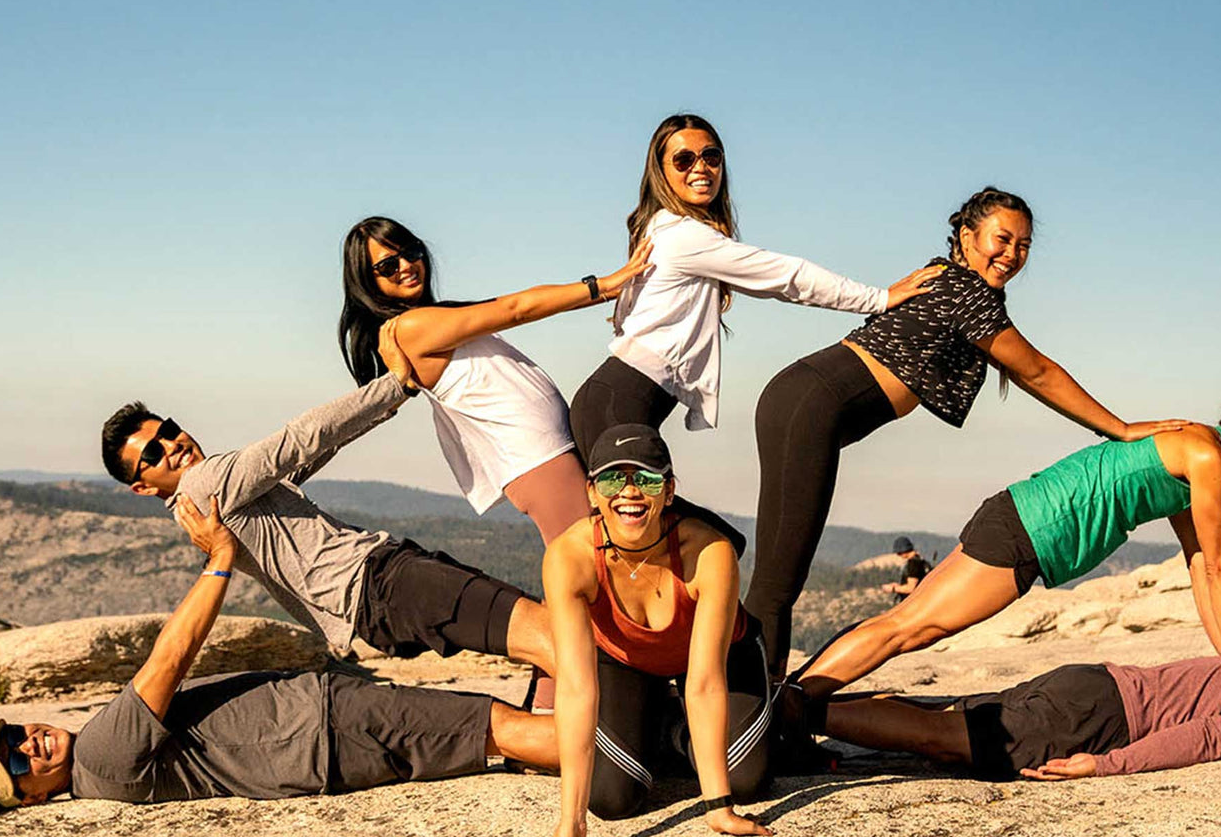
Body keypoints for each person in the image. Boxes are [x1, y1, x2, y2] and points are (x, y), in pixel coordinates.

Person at [745, 186, 1190, 676]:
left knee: (778, 578)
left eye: (1023, 245)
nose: (1012, 254)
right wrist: (1121, 428)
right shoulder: (966, 292)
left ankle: (754, 711)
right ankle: (748, 726)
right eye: (1002, 239)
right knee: (776, 584)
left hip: (804, 404)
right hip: (809, 405)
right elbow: (1036, 371)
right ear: (967, 234)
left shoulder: (953, 281)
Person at [779, 379, 1221, 743]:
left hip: (1018, 515)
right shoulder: (1207, 454)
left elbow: (1198, 563)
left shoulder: (1199, 452)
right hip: (1030, 532)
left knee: (904, 624)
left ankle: (788, 704)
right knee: (909, 630)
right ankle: (784, 712)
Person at [0, 496, 558, 815]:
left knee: (485, 731)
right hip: (323, 728)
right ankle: (633, 747)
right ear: (31, 797)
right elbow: (172, 655)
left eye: (14, 738)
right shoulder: (103, 755)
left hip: (319, 742)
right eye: (18, 764)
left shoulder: (98, 770)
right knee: (493, 727)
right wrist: (220, 558)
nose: (28, 744)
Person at [565, 113, 943, 547]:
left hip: (615, 400)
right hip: (619, 403)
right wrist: (878, 298)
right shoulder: (685, 236)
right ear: (662, 172)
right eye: (684, 159)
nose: (701, 168)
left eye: (711, 156)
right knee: (705, 542)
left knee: (648, 543)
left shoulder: (664, 229)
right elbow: (787, 275)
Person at [99, 380, 555, 674]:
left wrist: (381, 406)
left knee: (528, 629)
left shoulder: (199, 508)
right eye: (153, 455)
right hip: (377, 584)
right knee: (544, 631)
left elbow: (301, 462)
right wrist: (395, 385)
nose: (171, 446)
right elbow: (297, 440)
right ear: (142, 486)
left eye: (168, 431)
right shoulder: (205, 482)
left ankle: (564, 725)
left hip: (372, 601)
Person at [536, 424, 775, 837]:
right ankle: (666, 726)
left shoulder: (709, 551)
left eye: (645, 479)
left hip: (719, 661)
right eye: (612, 479)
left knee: (746, 780)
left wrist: (718, 807)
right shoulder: (569, 558)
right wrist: (571, 820)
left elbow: (704, 682)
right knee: (611, 799)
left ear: (668, 492)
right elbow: (574, 688)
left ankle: (770, 709)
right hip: (627, 663)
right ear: (591, 492)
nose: (629, 492)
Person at [338, 215, 654, 544]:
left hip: (545, 454)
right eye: (388, 265)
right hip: (536, 460)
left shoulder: (435, 317)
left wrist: (607, 293)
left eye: (412, 252)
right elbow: (515, 308)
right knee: (593, 565)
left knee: (598, 565)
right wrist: (602, 285)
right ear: (367, 282)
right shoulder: (411, 327)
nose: (406, 265)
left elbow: (515, 304)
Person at [819, 642, 1221, 781]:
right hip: (1104, 720)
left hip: (1096, 683)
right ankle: (792, 715)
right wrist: (1107, 766)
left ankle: (799, 714)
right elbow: (1209, 737)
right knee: (946, 736)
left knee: (944, 717)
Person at [880, 536, 930, 603]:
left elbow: (910, 588)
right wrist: (899, 586)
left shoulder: (914, 563)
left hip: (913, 603)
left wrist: (893, 589)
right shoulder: (920, 561)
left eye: (898, 553)